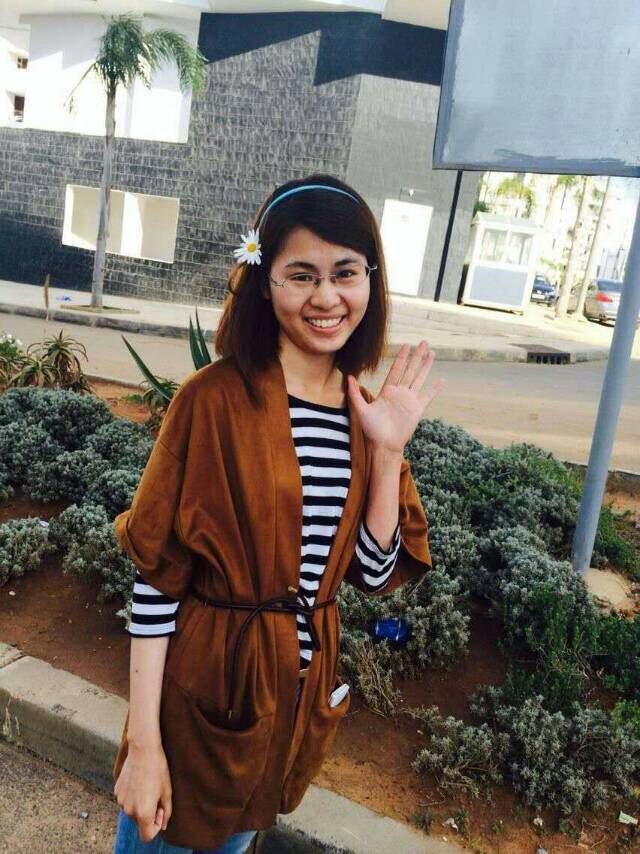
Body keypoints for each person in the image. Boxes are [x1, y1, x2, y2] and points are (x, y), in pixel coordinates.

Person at [111, 174, 443, 853]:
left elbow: (374, 573)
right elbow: (156, 580)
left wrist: (386, 454)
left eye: (345, 273)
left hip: (288, 711)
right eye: (301, 275)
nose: (326, 297)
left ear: (371, 281)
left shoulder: (365, 412)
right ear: (265, 284)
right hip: (204, 697)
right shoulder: (213, 401)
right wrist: (144, 746)